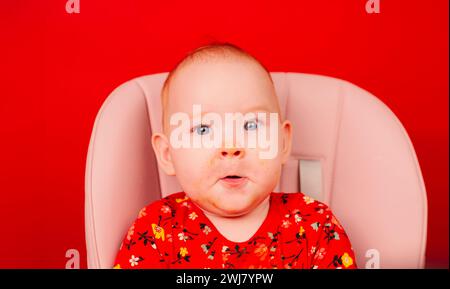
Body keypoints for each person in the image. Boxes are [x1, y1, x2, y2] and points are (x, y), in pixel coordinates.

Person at [113, 43, 357, 269]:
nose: (230, 146)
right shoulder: (157, 230)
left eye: (250, 125)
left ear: (282, 143)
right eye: (203, 129)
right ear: (168, 154)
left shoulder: (314, 225)